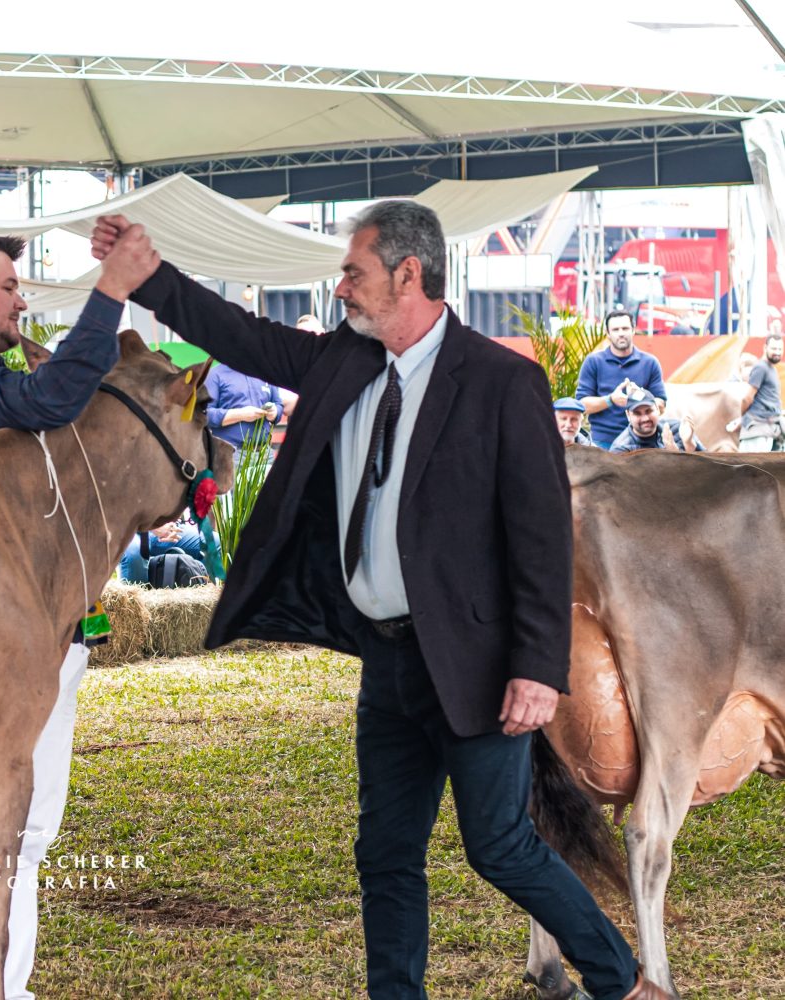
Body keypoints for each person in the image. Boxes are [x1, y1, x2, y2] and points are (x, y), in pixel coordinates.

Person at [91, 202, 663, 1000]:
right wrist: (150, 276)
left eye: (353, 271)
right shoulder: (343, 363)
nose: (341, 286)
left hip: (479, 664)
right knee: (385, 853)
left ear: (407, 274)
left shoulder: (504, 382)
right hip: (388, 661)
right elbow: (239, 334)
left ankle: (624, 985)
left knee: (498, 845)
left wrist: (537, 668)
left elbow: (541, 538)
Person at [0, 226, 152, 1000]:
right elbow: (48, 402)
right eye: (9, 286)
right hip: (8, 646)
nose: (21, 300)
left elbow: (52, 420)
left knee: (25, 829)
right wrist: (109, 291)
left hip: (31, 636)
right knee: (20, 829)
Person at [575, 310, 666, 449]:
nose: (621, 333)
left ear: (633, 330)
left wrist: (640, 397)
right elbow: (582, 405)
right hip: (603, 442)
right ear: (608, 333)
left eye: (625, 328)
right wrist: (611, 399)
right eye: (616, 329)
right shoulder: (593, 361)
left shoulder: (650, 362)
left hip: (642, 442)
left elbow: (661, 405)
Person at [203, 360, 287, 450]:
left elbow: (278, 404)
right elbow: (205, 414)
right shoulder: (215, 374)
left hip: (264, 452)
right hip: (229, 452)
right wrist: (241, 414)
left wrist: (274, 412)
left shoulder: (266, 373)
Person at [609, 388, 704, 453]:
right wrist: (674, 455)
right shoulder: (621, 448)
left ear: (658, 410)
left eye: (649, 411)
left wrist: (689, 444)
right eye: (637, 413)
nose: (645, 418)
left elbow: (707, 468)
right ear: (628, 415)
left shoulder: (678, 429)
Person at [118, 519, 208, 586]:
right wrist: (152, 525)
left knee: (216, 544)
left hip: (165, 525)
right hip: (127, 528)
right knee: (134, 556)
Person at [737, 333, 783, 452]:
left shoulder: (771, 368)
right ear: (765, 348)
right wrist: (743, 417)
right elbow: (747, 398)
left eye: (780, 349)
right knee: (752, 469)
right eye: (774, 348)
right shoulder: (761, 367)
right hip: (757, 429)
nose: (777, 352)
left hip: (770, 428)